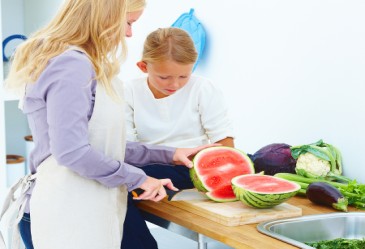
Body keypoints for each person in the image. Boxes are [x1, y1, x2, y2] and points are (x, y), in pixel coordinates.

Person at [0, 2, 214, 249]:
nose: (129, 34)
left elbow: (102, 145)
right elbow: (71, 152)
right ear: (105, 17)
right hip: (65, 213)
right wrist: (139, 178)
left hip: (82, 209)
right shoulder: (72, 65)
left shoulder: (77, 61)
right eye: (129, 22)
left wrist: (170, 154)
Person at [122, 27, 235, 248]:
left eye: (184, 76)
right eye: (164, 77)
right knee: (114, 184)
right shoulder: (128, 91)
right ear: (143, 67)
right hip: (147, 166)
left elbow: (225, 144)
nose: (174, 85)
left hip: (193, 167)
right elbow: (126, 147)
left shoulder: (203, 88)